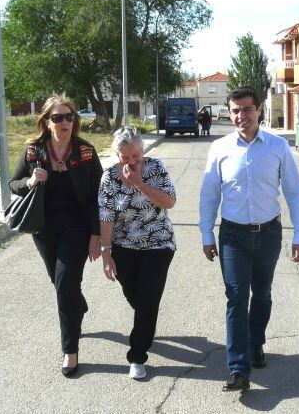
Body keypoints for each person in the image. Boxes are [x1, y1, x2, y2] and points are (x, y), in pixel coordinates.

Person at [199, 87, 299, 392]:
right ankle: (238, 368)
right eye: (235, 110)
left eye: (246, 109)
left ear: (258, 110)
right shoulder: (220, 148)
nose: (240, 116)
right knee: (236, 297)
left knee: (261, 294)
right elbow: (209, 193)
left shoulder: (277, 147)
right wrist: (206, 232)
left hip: (268, 234)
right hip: (233, 235)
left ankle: (256, 342)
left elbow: (295, 192)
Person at [9, 94, 103, 377]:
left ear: (74, 121)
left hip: (76, 226)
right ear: (46, 122)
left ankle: (69, 351)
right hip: (44, 227)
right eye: (57, 117)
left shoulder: (85, 152)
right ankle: (78, 306)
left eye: (68, 117)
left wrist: (96, 235)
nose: (63, 122)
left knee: (65, 282)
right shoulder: (33, 151)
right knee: (59, 280)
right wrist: (30, 180)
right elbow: (14, 184)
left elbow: (98, 197)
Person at [98, 127, 177, 380]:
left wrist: (140, 184)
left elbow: (170, 202)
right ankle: (146, 319)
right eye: (125, 157)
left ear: (142, 151)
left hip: (158, 244)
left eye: (136, 156)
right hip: (124, 247)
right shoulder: (109, 177)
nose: (132, 162)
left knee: (147, 300)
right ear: (117, 155)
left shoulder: (156, 168)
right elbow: (107, 216)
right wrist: (106, 253)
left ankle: (137, 356)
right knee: (137, 298)